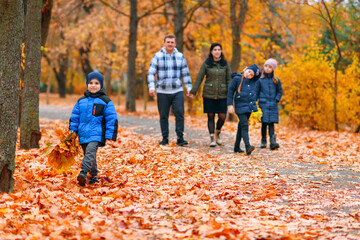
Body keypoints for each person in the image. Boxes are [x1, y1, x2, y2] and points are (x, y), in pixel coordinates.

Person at [69, 71, 118, 186]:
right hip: (83, 133)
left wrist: (110, 135)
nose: (93, 85)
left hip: (97, 133)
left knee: (90, 152)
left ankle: (83, 172)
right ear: (87, 84)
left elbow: (112, 118)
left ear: (101, 85)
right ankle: (94, 175)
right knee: (89, 155)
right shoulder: (81, 101)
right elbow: (74, 117)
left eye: (96, 83)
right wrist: (72, 132)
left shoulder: (106, 101)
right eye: (90, 83)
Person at [147, 34, 192, 146]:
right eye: (168, 42)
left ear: (175, 44)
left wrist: (189, 89)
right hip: (162, 91)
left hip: (177, 91)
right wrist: (152, 87)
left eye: (172, 42)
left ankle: (180, 138)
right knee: (163, 115)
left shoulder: (180, 56)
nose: (170, 44)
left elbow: (185, 73)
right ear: (164, 43)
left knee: (180, 114)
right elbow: (151, 73)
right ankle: (165, 138)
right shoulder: (157, 56)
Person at [189, 43, 231, 147]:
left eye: (219, 49)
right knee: (210, 115)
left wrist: (231, 94)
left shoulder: (225, 64)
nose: (217, 51)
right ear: (211, 52)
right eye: (215, 50)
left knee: (222, 116)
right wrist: (193, 91)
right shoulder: (206, 63)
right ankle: (212, 138)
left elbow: (229, 79)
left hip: (222, 94)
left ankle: (217, 132)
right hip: (209, 94)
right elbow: (199, 77)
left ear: (221, 51)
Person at [227, 64, 261, 155]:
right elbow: (230, 92)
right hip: (240, 106)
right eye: (249, 71)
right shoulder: (237, 79)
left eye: (251, 75)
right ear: (246, 69)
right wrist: (230, 105)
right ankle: (247, 146)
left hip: (249, 107)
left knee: (241, 126)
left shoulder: (252, 81)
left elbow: (259, 75)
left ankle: (236, 147)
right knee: (245, 125)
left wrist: (255, 72)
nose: (249, 75)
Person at [255, 58, 282, 150]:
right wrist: (255, 102)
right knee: (264, 123)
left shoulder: (276, 80)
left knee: (271, 123)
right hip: (263, 104)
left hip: (273, 104)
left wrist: (276, 99)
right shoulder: (260, 80)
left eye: (269, 67)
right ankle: (263, 140)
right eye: (266, 66)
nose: (267, 68)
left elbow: (279, 91)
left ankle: (273, 142)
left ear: (273, 69)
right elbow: (256, 91)